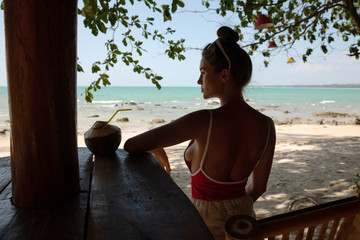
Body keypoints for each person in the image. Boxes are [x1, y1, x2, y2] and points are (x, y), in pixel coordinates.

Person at [124, 26, 276, 240]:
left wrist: (157, 147)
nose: (198, 81)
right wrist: (233, 210)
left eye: (203, 73)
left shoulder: (204, 121)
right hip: (243, 226)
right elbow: (258, 187)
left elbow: (131, 145)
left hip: (203, 226)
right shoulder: (267, 125)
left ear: (224, 75)